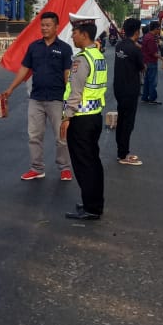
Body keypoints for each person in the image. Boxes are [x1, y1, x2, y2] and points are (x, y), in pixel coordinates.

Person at [1, 11, 73, 181]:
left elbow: (67, 74)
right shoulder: (34, 47)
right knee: (34, 136)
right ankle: (37, 168)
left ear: (56, 27)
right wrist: (10, 89)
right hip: (36, 99)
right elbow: (24, 69)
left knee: (61, 136)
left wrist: (69, 99)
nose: (44, 28)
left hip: (57, 99)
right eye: (42, 25)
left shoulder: (64, 48)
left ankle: (64, 167)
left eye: (48, 25)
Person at [60, 17, 107, 220]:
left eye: (74, 32)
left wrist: (66, 117)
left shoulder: (81, 59)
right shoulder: (97, 55)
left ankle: (91, 208)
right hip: (95, 117)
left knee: (84, 164)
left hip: (81, 119)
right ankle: (93, 203)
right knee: (93, 162)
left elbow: (75, 92)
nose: (72, 35)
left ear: (84, 34)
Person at [113, 17, 145, 166]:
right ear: (137, 32)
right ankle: (123, 154)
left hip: (118, 88)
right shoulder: (135, 49)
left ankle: (122, 151)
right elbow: (142, 67)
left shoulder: (119, 46)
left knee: (122, 120)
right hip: (130, 90)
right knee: (128, 123)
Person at [140, 21, 161, 105]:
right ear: (155, 29)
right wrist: (162, 58)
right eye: (158, 29)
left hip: (146, 61)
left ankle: (145, 97)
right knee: (153, 81)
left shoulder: (146, 36)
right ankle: (152, 98)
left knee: (147, 81)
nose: (159, 30)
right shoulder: (151, 38)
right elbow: (153, 53)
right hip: (151, 62)